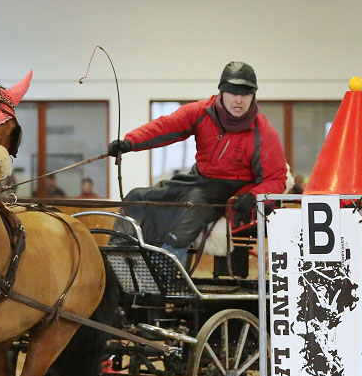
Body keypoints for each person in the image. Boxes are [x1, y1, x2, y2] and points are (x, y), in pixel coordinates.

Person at [107, 62, 286, 262]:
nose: (239, 100)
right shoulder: (201, 112)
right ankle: (118, 258)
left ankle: (168, 274)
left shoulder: (263, 132)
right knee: (138, 198)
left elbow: (276, 178)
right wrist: (130, 142)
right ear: (221, 93)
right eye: (233, 92)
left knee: (188, 216)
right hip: (197, 179)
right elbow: (166, 127)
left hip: (229, 192)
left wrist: (253, 197)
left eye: (245, 94)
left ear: (253, 96)